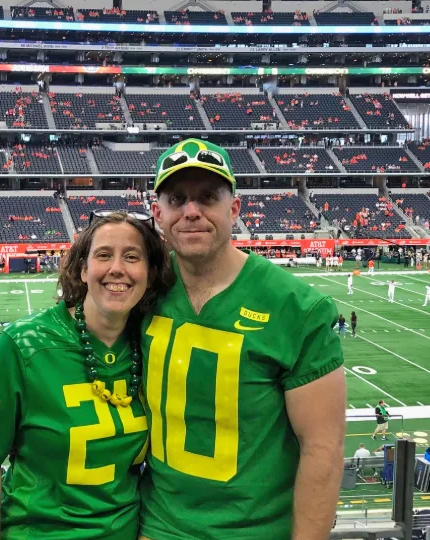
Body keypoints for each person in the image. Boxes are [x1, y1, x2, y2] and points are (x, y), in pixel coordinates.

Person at [141, 139, 346, 540]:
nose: (192, 212)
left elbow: (322, 451)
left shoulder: (298, 307)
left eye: (207, 197)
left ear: (234, 208)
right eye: (177, 199)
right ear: (157, 213)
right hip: (157, 526)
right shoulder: (141, 288)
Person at [0, 210, 173, 540]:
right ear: (83, 269)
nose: (117, 268)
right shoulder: (23, 344)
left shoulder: (151, 345)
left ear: (150, 273)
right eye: (103, 255)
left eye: (131, 256)